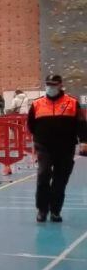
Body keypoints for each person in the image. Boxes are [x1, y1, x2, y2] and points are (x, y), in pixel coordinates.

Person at [27, 74, 87, 223]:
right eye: (48, 84)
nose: (50, 87)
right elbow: (31, 125)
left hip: (65, 148)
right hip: (44, 146)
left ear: (60, 85)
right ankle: (42, 209)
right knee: (43, 175)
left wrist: (84, 141)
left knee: (60, 181)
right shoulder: (37, 104)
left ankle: (55, 211)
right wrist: (38, 140)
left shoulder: (72, 103)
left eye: (54, 85)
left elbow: (81, 124)